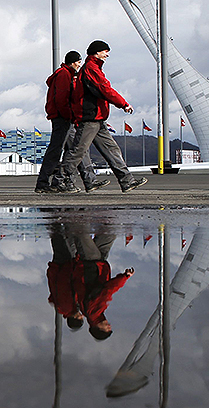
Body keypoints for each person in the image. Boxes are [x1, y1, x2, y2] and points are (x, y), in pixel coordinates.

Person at [59, 41, 147, 193]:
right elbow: (104, 89)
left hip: (98, 119)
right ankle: (60, 181)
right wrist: (123, 103)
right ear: (96, 52)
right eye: (105, 51)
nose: (107, 54)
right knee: (78, 151)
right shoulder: (91, 69)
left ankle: (127, 181)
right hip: (90, 118)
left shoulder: (93, 68)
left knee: (111, 149)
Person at [36, 50, 108, 194]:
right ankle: (48, 183)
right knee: (69, 149)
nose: (79, 64)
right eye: (78, 62)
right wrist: (70, 116)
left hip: (63, 117)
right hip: (63, 118)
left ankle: (83, 181)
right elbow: (62, 98)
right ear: (72, 62)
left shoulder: (66, 74)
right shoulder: (64, 74)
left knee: (74, 149)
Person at [70, 223, 132, 341]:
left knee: (81, 231)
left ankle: (71, 211)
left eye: (106, 328)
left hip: (91, 263)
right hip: (98, 264)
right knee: (109, 231)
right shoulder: (90, 312)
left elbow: (107, 290)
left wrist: (124, 277)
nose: (109, 325)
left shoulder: (94, 312)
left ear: (97, 327)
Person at [47, 222, 85, 330]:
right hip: (59, 268)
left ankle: (52, 217)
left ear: (75, 318)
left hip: (61, 267)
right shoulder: (66, 308)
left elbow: (63, 283)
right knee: (60, 242)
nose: (81, 315)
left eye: (80, 318)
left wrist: (70, 266)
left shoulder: (67, 306)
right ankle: (55, 221)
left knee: (59, 241)